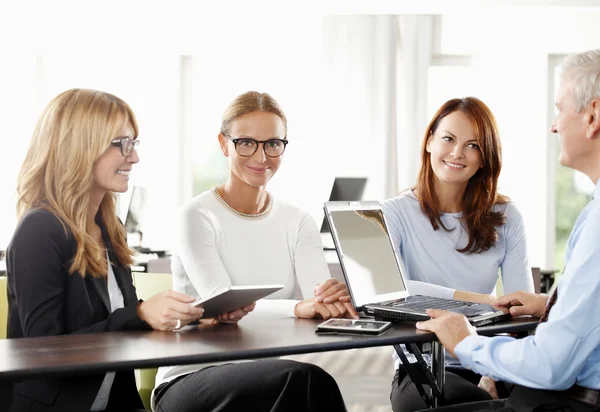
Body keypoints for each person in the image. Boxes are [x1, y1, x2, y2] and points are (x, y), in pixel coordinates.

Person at [416, 49, 600, 412]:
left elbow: (550, 367)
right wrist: (552, 305)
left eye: (559, 109)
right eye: (449, 139)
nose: (554, 125)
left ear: (592, 116)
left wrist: (466, 342)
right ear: (429, 141)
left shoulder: (586, 221)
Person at [5, 89, 205, 412]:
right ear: (80, 147)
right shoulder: (39, 230)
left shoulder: (110, 229)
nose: (134, 157)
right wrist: (139, 314)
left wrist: (194, 317)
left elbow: (120, 325)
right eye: (122, 144)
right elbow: (44, 352)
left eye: (134, 144)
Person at [152, 91, 352, 412]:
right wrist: (298, 308)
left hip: (269, 376)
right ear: (223, 144)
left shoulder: (299, 220)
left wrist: (331, 300)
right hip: (195, 374)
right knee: (307, 381)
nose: (261, 157)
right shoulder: (196, 215)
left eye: (273, 143)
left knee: (302, 385)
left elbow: (318, 303)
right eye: (246, 142)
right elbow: (225, 306)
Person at [378, 97, 534, 411]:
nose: (457, 153)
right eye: (448, 139)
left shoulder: (507, 216)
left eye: (473, 145)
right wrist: (480, 300)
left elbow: (521, 305)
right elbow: (391, 291)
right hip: (420, 365)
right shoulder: (392, 213)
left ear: (484, 158)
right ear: (429, 141)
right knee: (470, 404)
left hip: (488, 355)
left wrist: (492, 369)